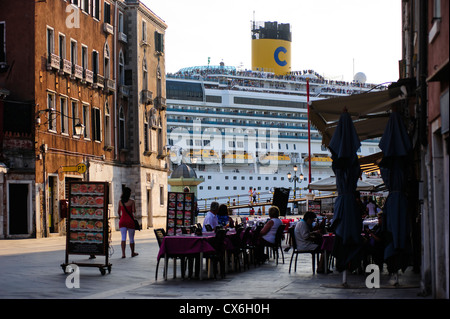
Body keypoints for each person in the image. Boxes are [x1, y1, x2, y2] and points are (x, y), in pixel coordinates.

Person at [118, 187, 138, 258]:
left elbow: (118, 212)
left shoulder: (120, 202)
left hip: (122, 221)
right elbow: (134, 211)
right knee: (131, 238)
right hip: (130, 221)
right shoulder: (132, 201)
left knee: (123, 238)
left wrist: (121, 217)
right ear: (129, 193)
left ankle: (123, 254)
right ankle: (132, 253)